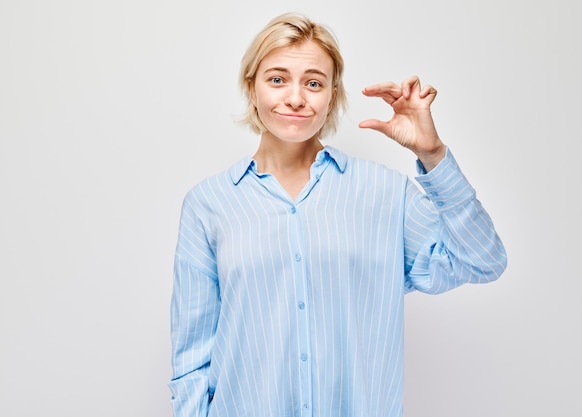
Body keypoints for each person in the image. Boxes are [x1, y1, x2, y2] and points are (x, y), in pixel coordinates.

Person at [169, 12, 507, 417]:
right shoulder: (209, 204)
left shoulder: (385, 194)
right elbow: (191, 359)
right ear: (251, 86)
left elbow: (484, 261)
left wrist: (431, 154)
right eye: (277, 79)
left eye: (313, 83)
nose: (296, 97)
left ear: (331, 95)